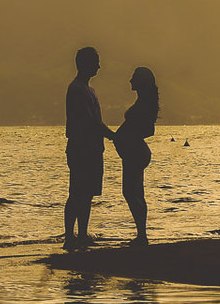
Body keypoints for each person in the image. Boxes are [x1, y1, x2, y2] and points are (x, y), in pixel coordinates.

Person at [64, 47, 113, 250]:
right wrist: (114, 137)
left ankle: (82, 234)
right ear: (85, 64)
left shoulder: (88, 90)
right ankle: (69, 236)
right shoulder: (76, 89)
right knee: (77, 192)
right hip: (81, 148)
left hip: (93, 149)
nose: (99, 66)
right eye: (96, 62)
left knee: (86, 194)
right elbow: (91, 121)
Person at [113, 67, 159, 246]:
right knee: (137, 192)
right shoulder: (143, 101)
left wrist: (128, 136)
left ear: (141, 81)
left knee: (130, 192)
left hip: (135, 151)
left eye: (133, 78)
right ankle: (142, 234)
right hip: (134, 151)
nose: (130, 81)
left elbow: (148, 130)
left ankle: (142, 235)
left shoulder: (145, 104)